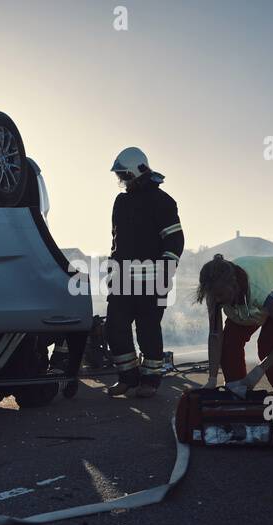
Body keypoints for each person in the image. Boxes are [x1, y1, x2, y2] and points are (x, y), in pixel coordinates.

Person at [196, 254, 273, 430]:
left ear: (232, 286)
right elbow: (215, 335)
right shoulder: (216, 291)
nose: (216, 300)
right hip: (249, 299)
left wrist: (260, 369)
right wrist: (211, 378)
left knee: (269, 346)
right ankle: (239, 402)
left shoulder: (260, 291)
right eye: (212, 296)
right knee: (229, 342)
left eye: (219, 295)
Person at [105, 147, 184, 398]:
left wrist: (165, 273)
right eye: (120, 176)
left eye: (125, 176)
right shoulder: (121, 202)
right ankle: (127, 377)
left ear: (139, 172)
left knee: (148, 329)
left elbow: (175, 241)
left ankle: (150, 380)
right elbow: (117, 241)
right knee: (115, 327)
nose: (122, 181)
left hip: (152, 282)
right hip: (122, 280)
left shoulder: (162, 202)